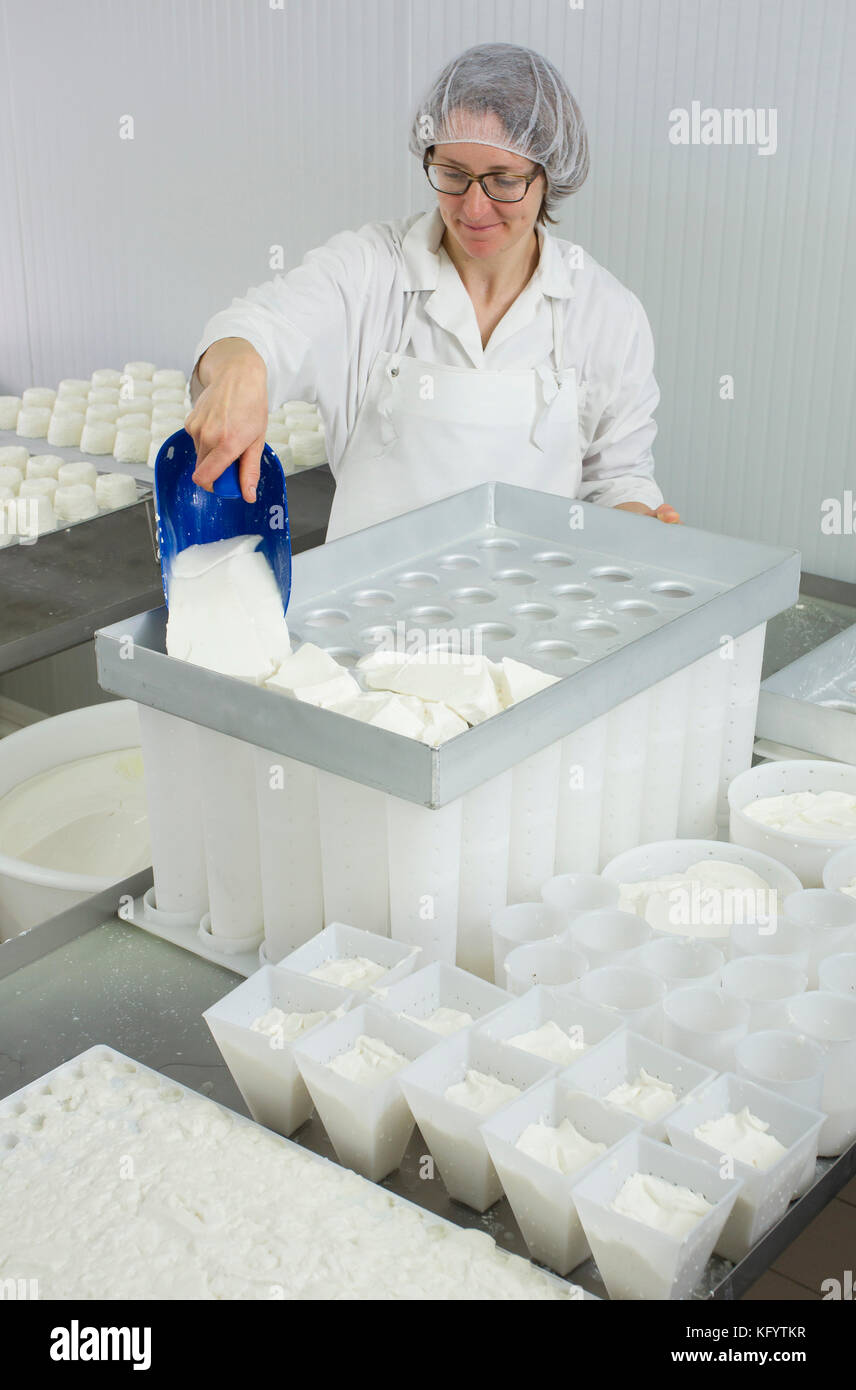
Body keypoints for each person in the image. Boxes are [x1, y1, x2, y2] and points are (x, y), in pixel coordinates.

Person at [188, 41, 680, 539]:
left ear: (549, 176)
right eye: (453, 175)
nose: (473, 208)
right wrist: (242, 367)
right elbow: (259, 327)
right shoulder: (371, 272)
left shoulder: (605, 313)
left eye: (502, 181)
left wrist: (637, 521)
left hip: (534, 606)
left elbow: (617, 480)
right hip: (369, 609)